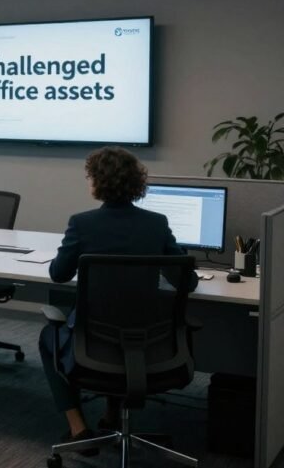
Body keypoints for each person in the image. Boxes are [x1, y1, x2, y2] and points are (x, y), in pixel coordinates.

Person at [38, 146, 198, 451]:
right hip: (151, 344)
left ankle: (78, 429)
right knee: (120, 320)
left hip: (94, 345)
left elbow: (58, 274)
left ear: (98, 183)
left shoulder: (81, 223)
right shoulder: (157, 223)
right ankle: (112, 413)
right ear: (135, 183)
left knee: (50, 335)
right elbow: (186, 281)